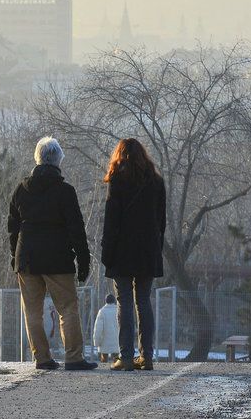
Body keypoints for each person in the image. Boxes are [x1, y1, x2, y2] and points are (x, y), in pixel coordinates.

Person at [8, 136, 97, 371]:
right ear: (58, 161)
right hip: (58, 259)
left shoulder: (21, 189)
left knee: (33, 311)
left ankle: (42, 358)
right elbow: (76, 228)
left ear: (37, 158)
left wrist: (13, 256)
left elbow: (12, 227)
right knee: (67, 308)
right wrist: (84, 260)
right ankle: (74, 357)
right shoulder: (65, 191)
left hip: (26, 258)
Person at [100, 138, 167, 372]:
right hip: (148, 251)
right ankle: (146, 356)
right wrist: (155, 249)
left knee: (124, 303)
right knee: (144, 302)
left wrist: (106, 253)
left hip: (122, 252)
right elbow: (161, 222)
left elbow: (111, 222)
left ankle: (126, 357)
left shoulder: (117, 182)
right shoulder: (157, 183)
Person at [92, 294, 119, 363]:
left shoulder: (102, 311)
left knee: (104, 359)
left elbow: (98, 328)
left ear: (105, 301)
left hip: (104, 341)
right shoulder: (118, 311)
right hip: (117, 341)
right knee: (116, 359)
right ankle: (117, 368)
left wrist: (96, 341)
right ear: (114, 301)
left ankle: (104, 371)